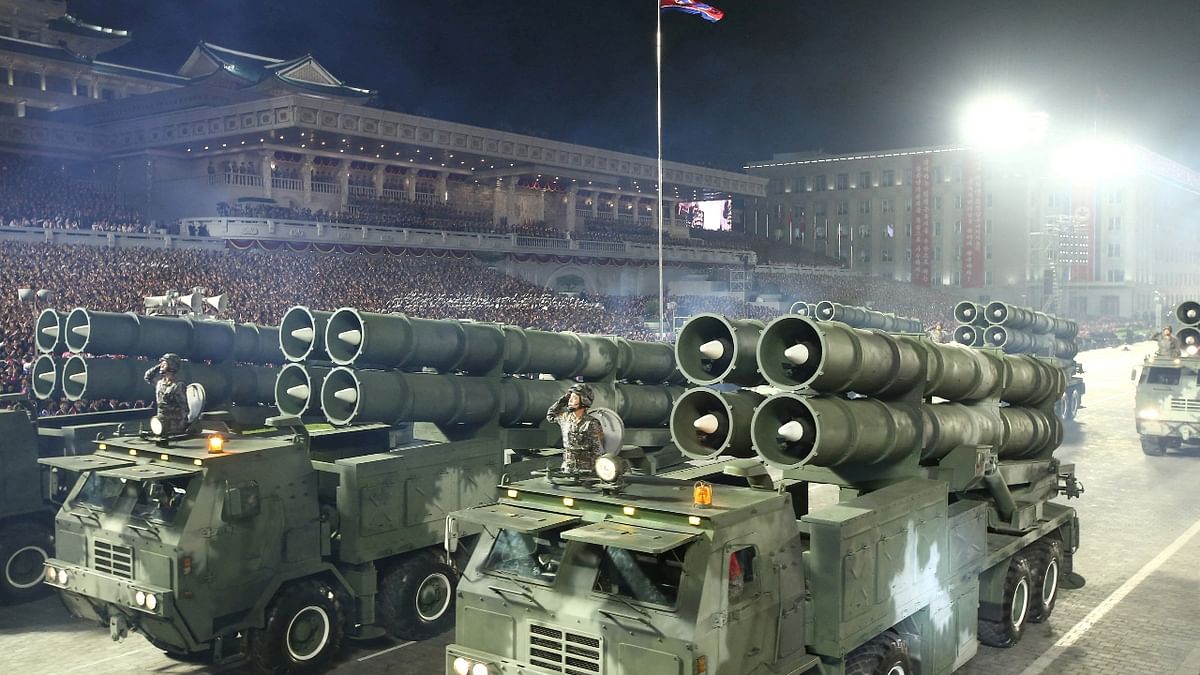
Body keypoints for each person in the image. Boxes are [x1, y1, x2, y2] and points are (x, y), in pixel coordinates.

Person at [546, 382, 605, 475]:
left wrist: (597, 471)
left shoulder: (591, 423)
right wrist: (563, 400)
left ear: (584, 401)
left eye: (574, 398)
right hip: (567, 467)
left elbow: (596, 450)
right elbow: (550, 415)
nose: (570, 400)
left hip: (586, 469)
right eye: (570, 398)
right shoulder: (564, 418)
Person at [144, 353, 189, 435]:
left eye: (164, 364)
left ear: (172, 366)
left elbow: (184, 409)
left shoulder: (177, 386)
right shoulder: (160, 383)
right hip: (160, 423)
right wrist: (161, 366)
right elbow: (148, 376)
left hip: (174, 427)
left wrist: (181, 428)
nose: (161, 365)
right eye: (161, 363)